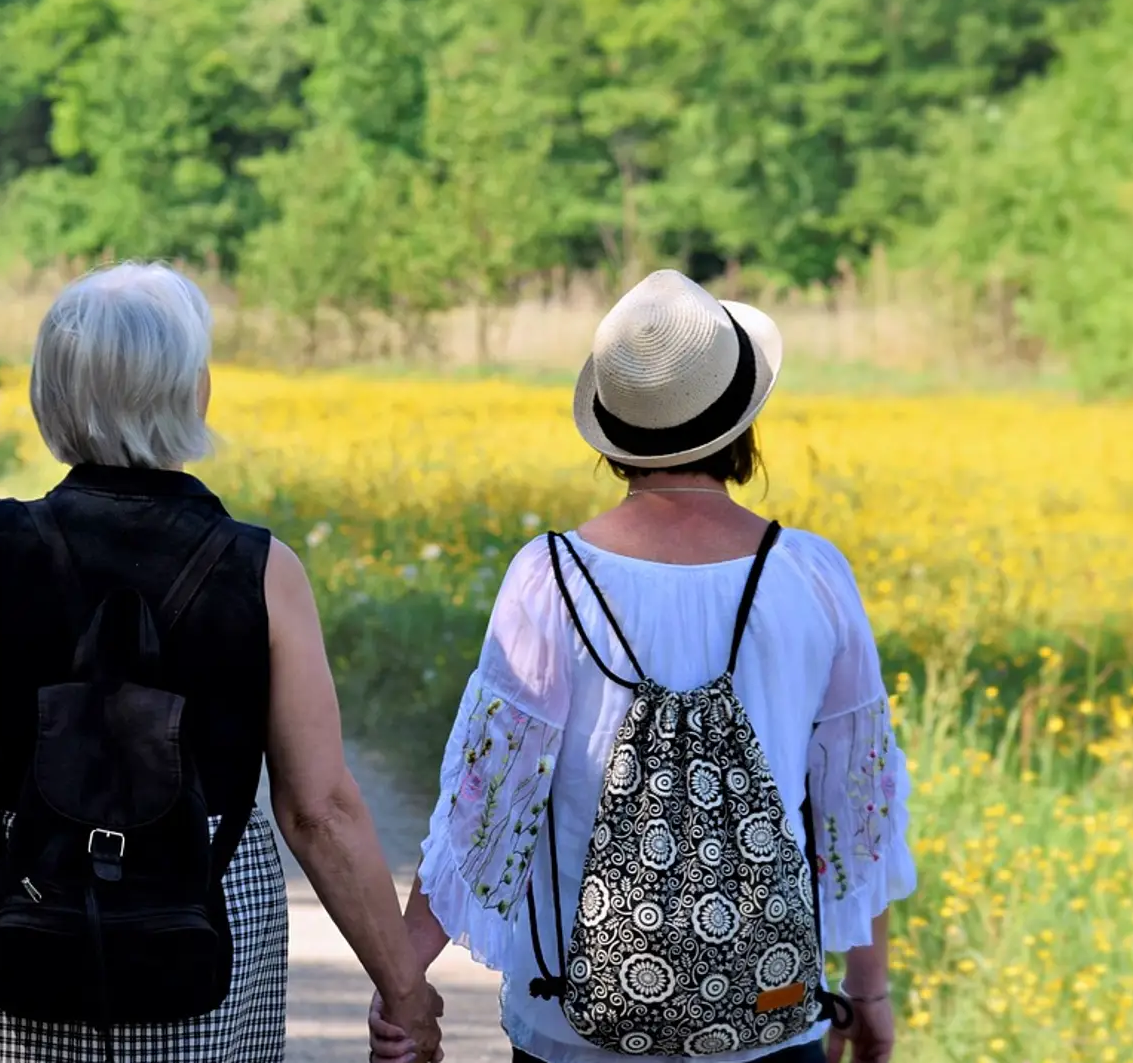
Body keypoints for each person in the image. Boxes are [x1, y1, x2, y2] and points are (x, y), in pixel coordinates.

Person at [0, 261, 445, 1062]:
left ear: (51, 393)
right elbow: (320, 810)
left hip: (30, 903)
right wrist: (404, 993)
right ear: (191, 391)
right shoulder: (263, 569)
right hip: (204, 916)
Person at [371, 270, 915, 1063]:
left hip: (574, 1026)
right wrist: (868, 995)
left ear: (614, 432)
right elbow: (853, 813)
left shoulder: (549, 579)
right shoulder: (812, 576)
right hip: (770, 1011)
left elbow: (485, 809)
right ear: (742, 423)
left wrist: (402, 981)